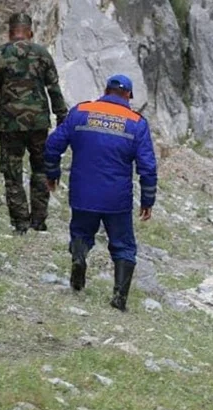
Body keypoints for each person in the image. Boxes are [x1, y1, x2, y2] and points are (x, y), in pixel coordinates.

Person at [44, 74, 157, 312]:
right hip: (117, 198)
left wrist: (52, 173)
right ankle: (119, 297)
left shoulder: (81, 111)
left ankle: (79, 257)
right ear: (129, 95)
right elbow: (147, 167)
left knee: (81, 233)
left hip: (83, 192)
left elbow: (53, 144)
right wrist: (148, 200)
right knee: (123, 246)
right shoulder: (136, 123)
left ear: (105, 90)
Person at [0, 13, 69, 234]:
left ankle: (20, 223)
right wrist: (62, 118)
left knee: (12, 173)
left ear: (10, 32)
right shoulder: (42, 55)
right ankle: (38, 221)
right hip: (38, 123)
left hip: (10, 125)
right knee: (40, 169)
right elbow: (54, 89)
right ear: (30, 31)